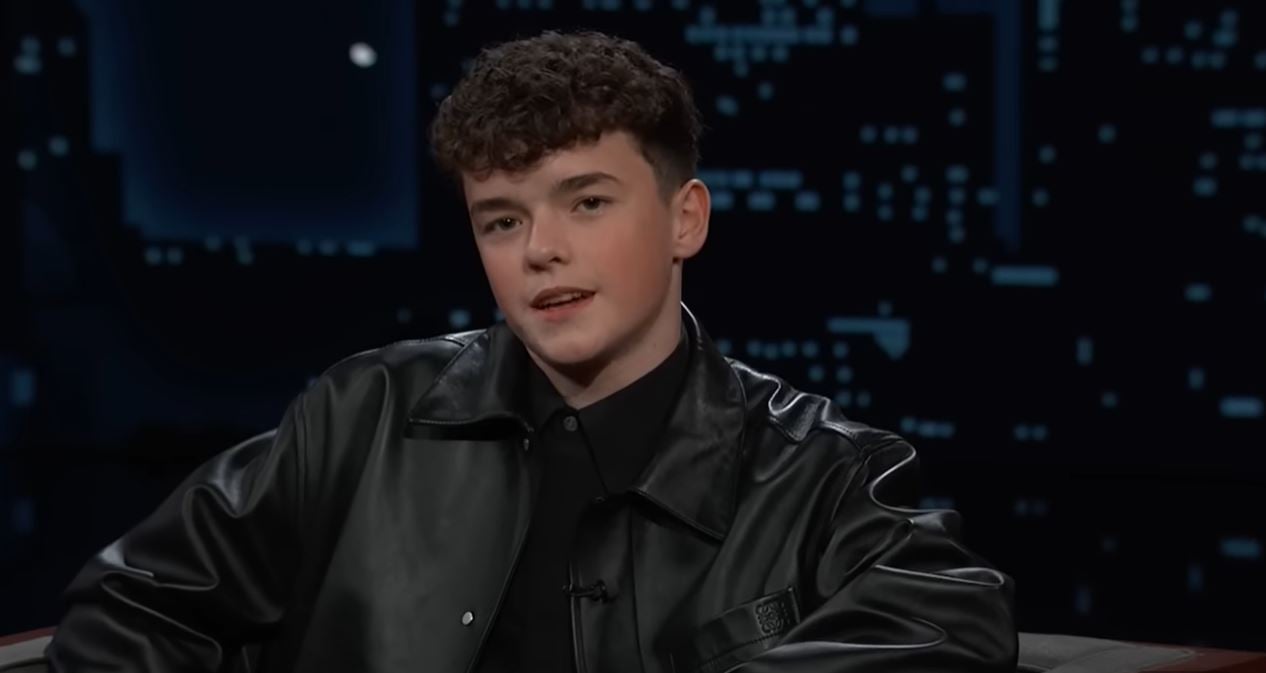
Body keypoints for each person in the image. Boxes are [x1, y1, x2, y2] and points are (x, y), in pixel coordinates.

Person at [45, 29, 1017, 673]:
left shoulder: (818, 473)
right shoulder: (367, 415)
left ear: (685, 218)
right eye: (502, 219)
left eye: (586, 202)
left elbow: (951, 617)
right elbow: (136, 604)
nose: (540, 250)